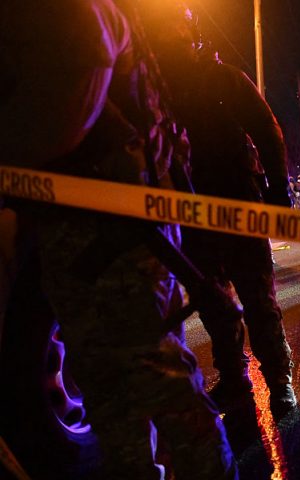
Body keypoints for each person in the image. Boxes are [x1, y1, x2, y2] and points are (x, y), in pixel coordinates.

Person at [0, 0, 237, 477]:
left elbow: (65, 115)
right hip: (81, 229)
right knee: (108, 392)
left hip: (116, 234)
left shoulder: (76, 12)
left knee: (159, 381)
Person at [137, 0, 299, 429]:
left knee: (257, 298)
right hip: (190, 213)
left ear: (192, 33)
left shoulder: (224, 78)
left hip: (239, 202)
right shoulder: (156, 92)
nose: (171, 40)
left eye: (177, 30)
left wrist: (279, 189)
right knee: (214, 303)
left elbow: (267, 130)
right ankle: (234, 379)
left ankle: (278, 380)